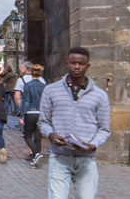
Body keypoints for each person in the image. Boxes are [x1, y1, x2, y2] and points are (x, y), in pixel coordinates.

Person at [40, 47, 112, 199]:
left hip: (86, 159)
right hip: (60, 156)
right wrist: (51, 135)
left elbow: (104, 129)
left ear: (87, 66)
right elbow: (44, 122)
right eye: (73, 63)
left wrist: (93, 145)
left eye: (81, 63)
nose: (77, 67)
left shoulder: (100, 95)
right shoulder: (51, 90)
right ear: (67, 63)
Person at [19, 63, 46, 165]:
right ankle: (35, 158)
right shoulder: (44, 86)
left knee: (27, 136)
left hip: (30, 112)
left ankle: (36, 153)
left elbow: (25, 101)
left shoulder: (28, 85)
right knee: (38, 137)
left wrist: (22, 115)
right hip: (40, 112)